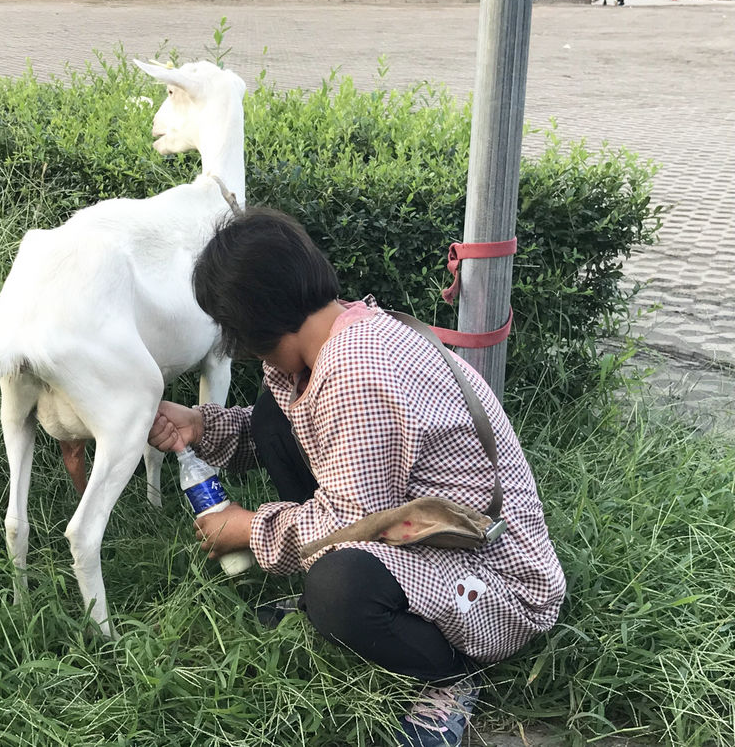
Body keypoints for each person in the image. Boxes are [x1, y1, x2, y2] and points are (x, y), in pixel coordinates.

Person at [148, 209, 566, 747]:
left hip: (493, 576)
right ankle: (382, 610)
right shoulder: (335, 334)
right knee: (276, 412)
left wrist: (247, 529)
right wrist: (202, 425)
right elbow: (294, 433)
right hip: (419, 525)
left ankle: (451, 675)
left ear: (251, 322)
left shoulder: (358, 369)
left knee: (339, 589)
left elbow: (349, 521)